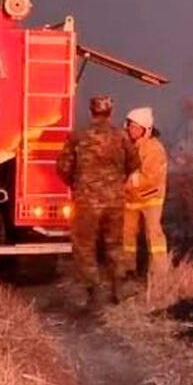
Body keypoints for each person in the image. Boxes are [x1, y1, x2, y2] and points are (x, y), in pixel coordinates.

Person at [56, 96, 141, 309]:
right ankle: (119, 289)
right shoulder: (121, 136)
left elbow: (63, 167)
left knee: (85, 246)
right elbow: (134, 163)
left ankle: (93, 292)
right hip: (114, 201)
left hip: (86, 201)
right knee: (114, 244)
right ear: (110, 112)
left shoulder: (78, 136)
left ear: (91, 111)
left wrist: (76, 184)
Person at [123, 107, 168, 279]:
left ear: (146, 129)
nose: (131, 130)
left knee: (153, 234)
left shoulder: (154, 149)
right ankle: (128, 269)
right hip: (131, 198)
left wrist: (125, 183)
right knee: (127, 235)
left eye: (135, 127)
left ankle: (160, 271)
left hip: (150, 199)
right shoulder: (129, 146)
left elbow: (149, 177)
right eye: (130, 126)